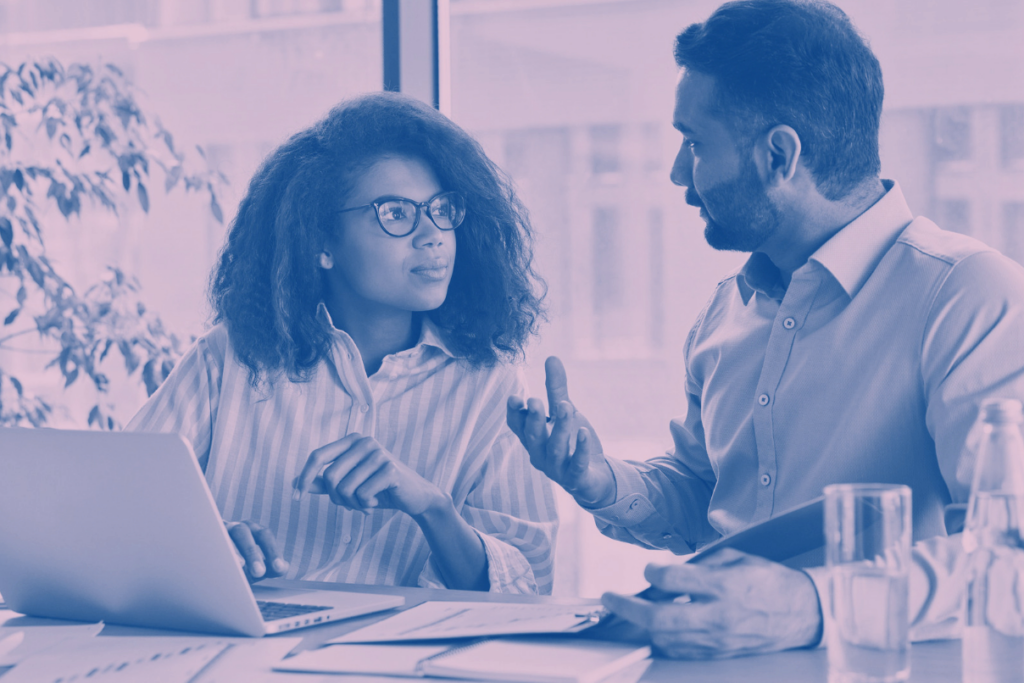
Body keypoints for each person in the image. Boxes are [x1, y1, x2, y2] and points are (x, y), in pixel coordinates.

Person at [507, 0, 1024, 656]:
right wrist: (606, 482)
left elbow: (1012, 561)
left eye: (695, 143)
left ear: (780, 154)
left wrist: (811, 605)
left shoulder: (969, 298)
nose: (676, 174)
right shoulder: (726, 312)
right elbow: (707, 496)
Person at [129, 92, 558, 595]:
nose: (433, 235)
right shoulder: (229, 357)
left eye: (442, 209)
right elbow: (113, 507)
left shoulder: (491, 382)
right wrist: (203, 543)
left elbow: (528, 586)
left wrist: (431, 507)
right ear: (321, 244)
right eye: (395, 213)